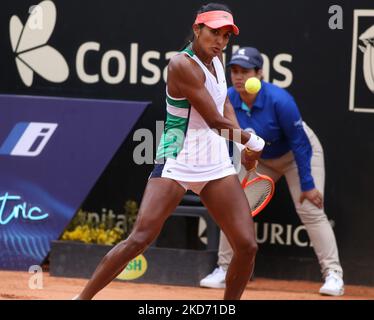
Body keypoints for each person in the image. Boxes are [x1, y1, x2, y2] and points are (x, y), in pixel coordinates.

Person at [74, 5, 266, 300]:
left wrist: (242, 142)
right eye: (214, 32)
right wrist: (252, 143)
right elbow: (215, 122)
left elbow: (223, 105)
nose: (220, 41)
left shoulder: (218, 59)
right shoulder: (181, 64)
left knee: (246, 246)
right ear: (197, 29)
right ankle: (82, 299)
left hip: (214, 160)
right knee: (140, 239)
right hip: (177, 156)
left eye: (226, 36)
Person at [199, 47, 345, 296]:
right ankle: (225, 269)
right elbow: (230, 137)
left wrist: (308, 185)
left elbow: (300, 143)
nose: (238, 77)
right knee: (234, 208)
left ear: (259, 74)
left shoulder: (280, 100)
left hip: (297, 155)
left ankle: (334, 276)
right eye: (234, 71)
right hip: (259, 158)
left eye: (245, 71)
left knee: (310, 209)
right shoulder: (229, 98)